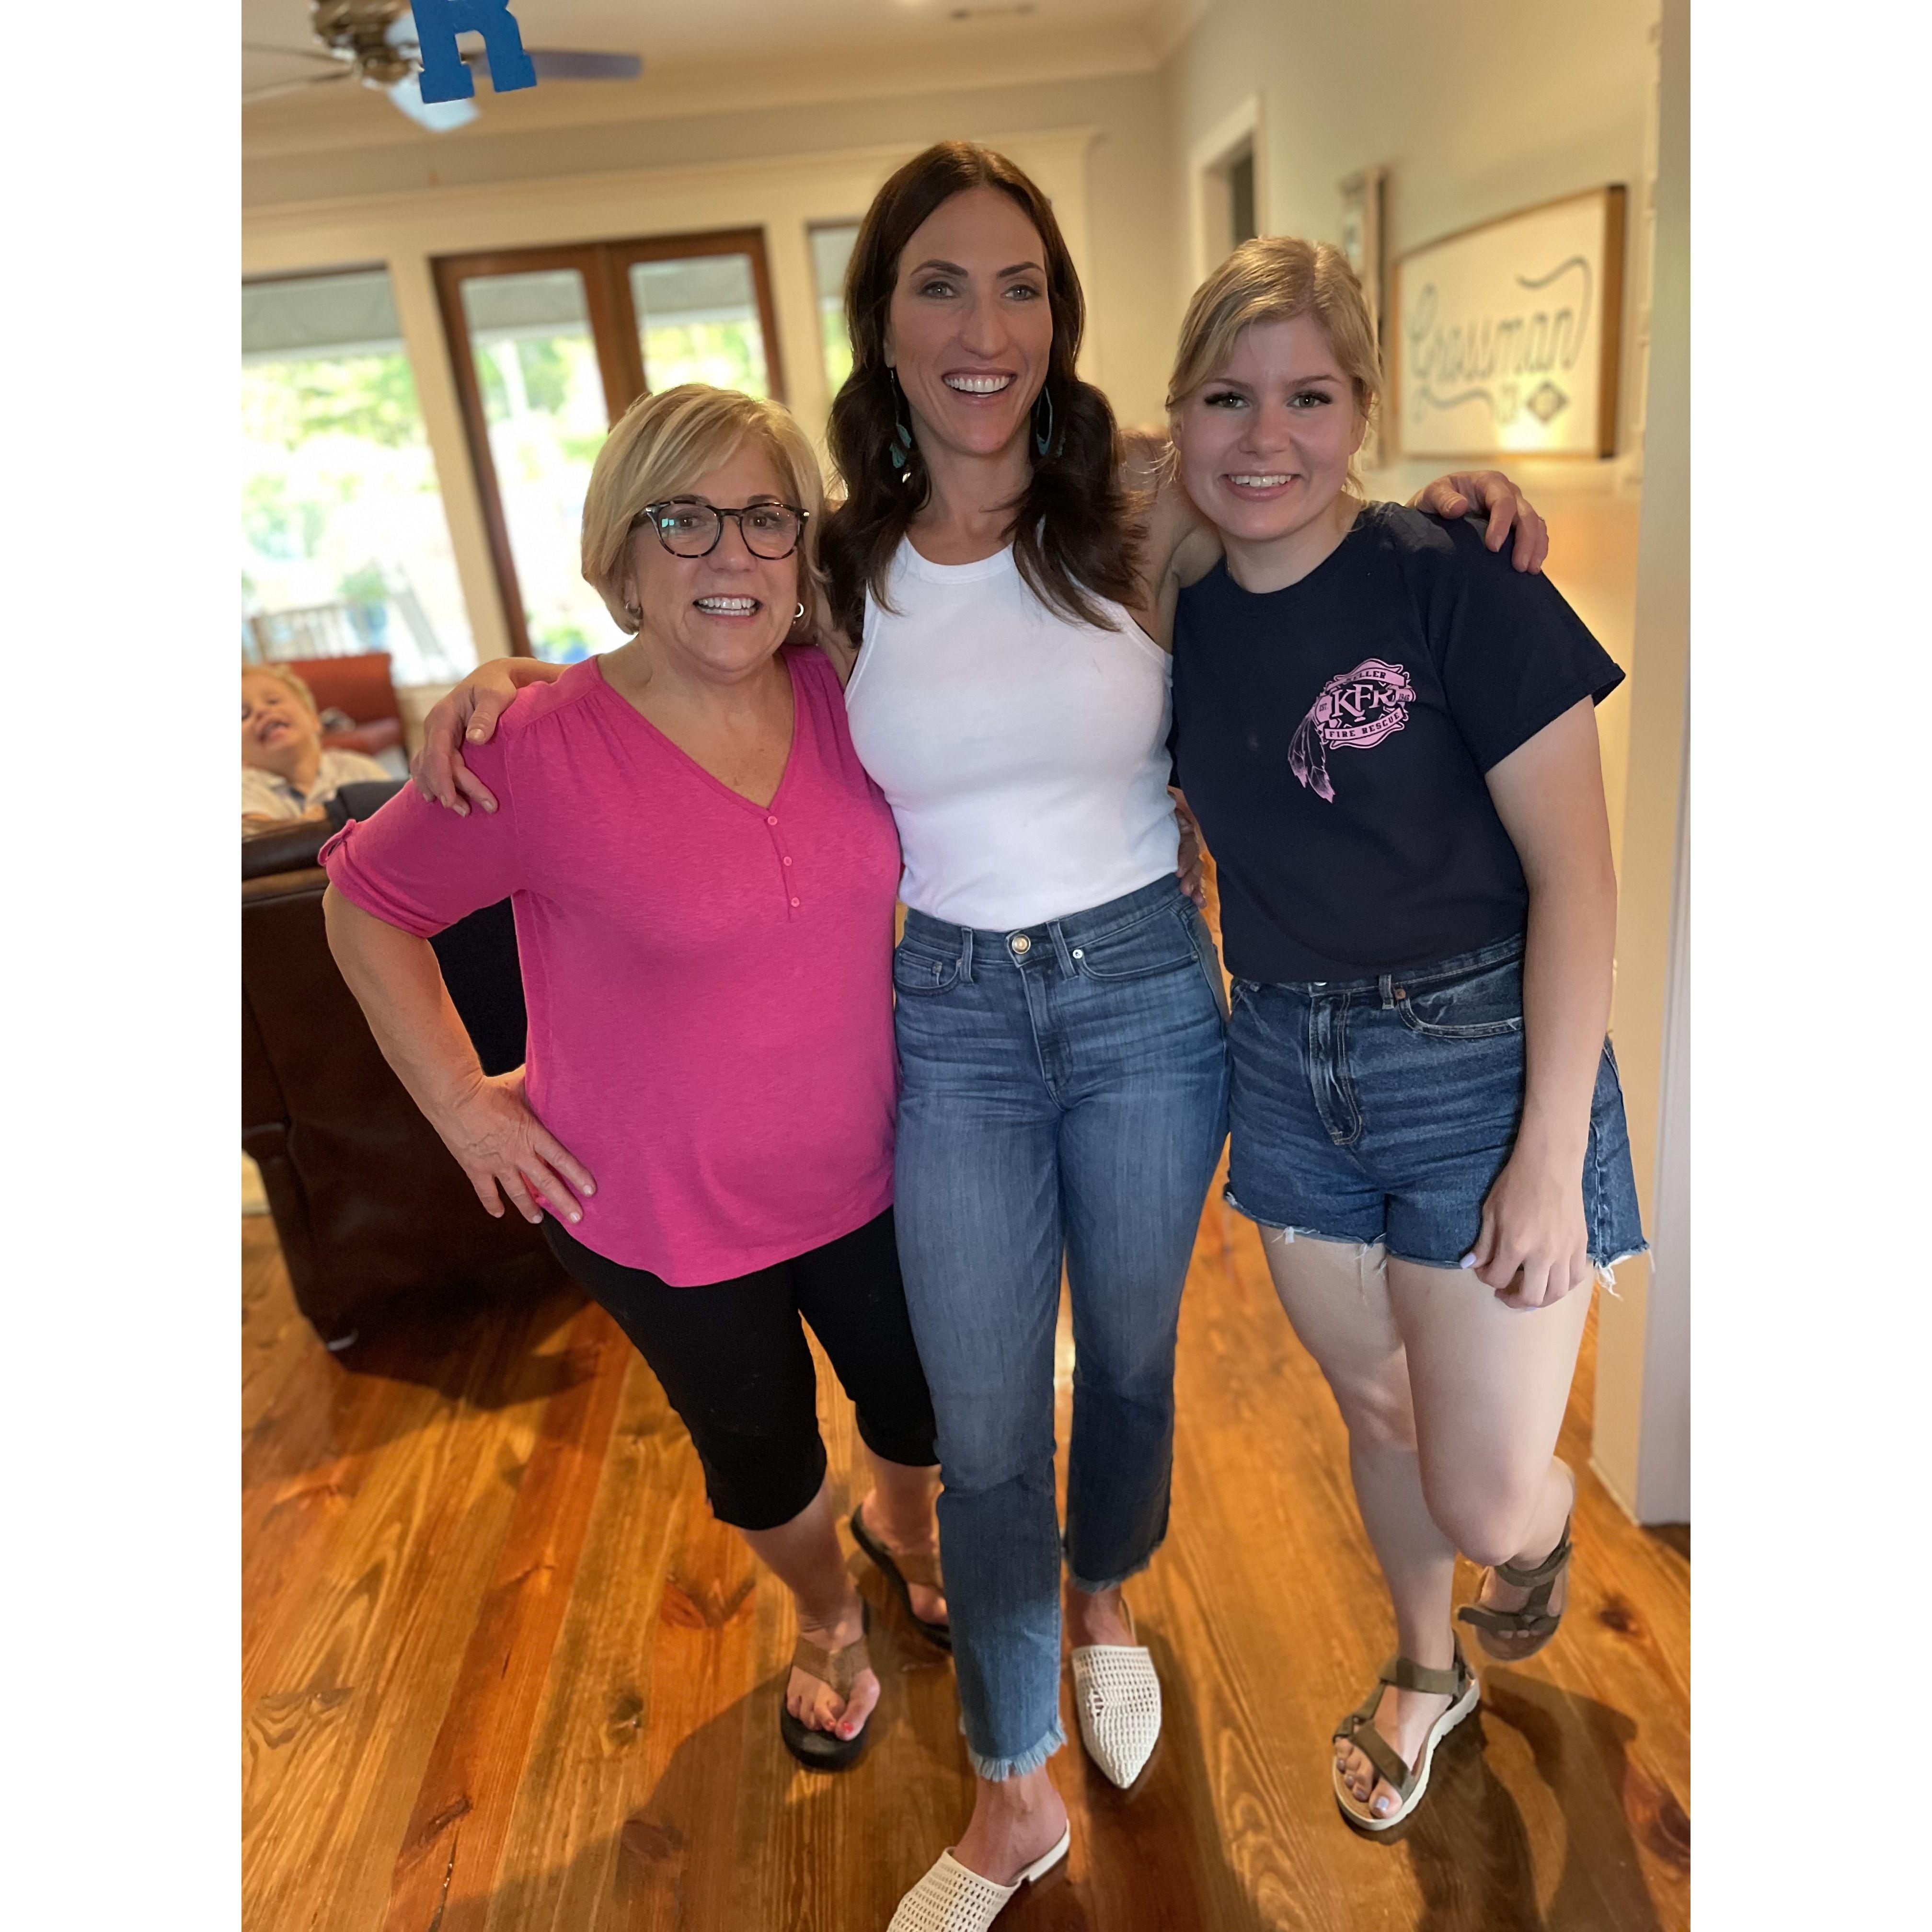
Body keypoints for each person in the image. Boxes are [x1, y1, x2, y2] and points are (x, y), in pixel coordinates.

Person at [415, 144, 1549, 1932]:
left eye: (1019, 285)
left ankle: (1106, 1599)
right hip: (940, 1014)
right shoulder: (837, 559)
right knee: (979, 1410)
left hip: (1144, 994)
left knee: (1135, 1364)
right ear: (879, 320)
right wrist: (502, 678)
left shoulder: (1142, 504)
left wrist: (1449, 504)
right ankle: (1012, 1785)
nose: (985, 323)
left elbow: (1305, 500)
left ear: (1057, 319)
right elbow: (681, 638)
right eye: (941, 283)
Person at [318, 384, 950, 1773]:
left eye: (765, 520)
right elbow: (363, 907)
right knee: (765, 1459)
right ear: (624, 550)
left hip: (879, 1168)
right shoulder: (528, 748)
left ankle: (906, 1532)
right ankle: (832, 1616)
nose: (732, 556)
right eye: (686, 520)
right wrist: (462, 1105)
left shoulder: (854, 696)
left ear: (803, 550)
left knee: (917, 1405)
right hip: (658, 1214)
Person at [1162, 236, 1647, 1834]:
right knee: (1373, 1412)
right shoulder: (1171, 605)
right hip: (1286, 1062)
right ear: (1179, 414)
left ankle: (1544, 1520)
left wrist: (1546, 1162)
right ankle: (1427, 1668)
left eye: (1308, 396)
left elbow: (1581, 883)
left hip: (1484, 1060)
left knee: (1489, 1488)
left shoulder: (1457, 582)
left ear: (1362, 411)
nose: (1264, 436)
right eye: (1228, 396)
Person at [242, 664, 389, 829]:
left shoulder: (359, 769)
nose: (261, 711)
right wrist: (312, 824)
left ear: (314, 719)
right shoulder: (245, 788)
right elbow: (256, 834)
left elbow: (398, 814)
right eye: (243, 715)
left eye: (273, 701)